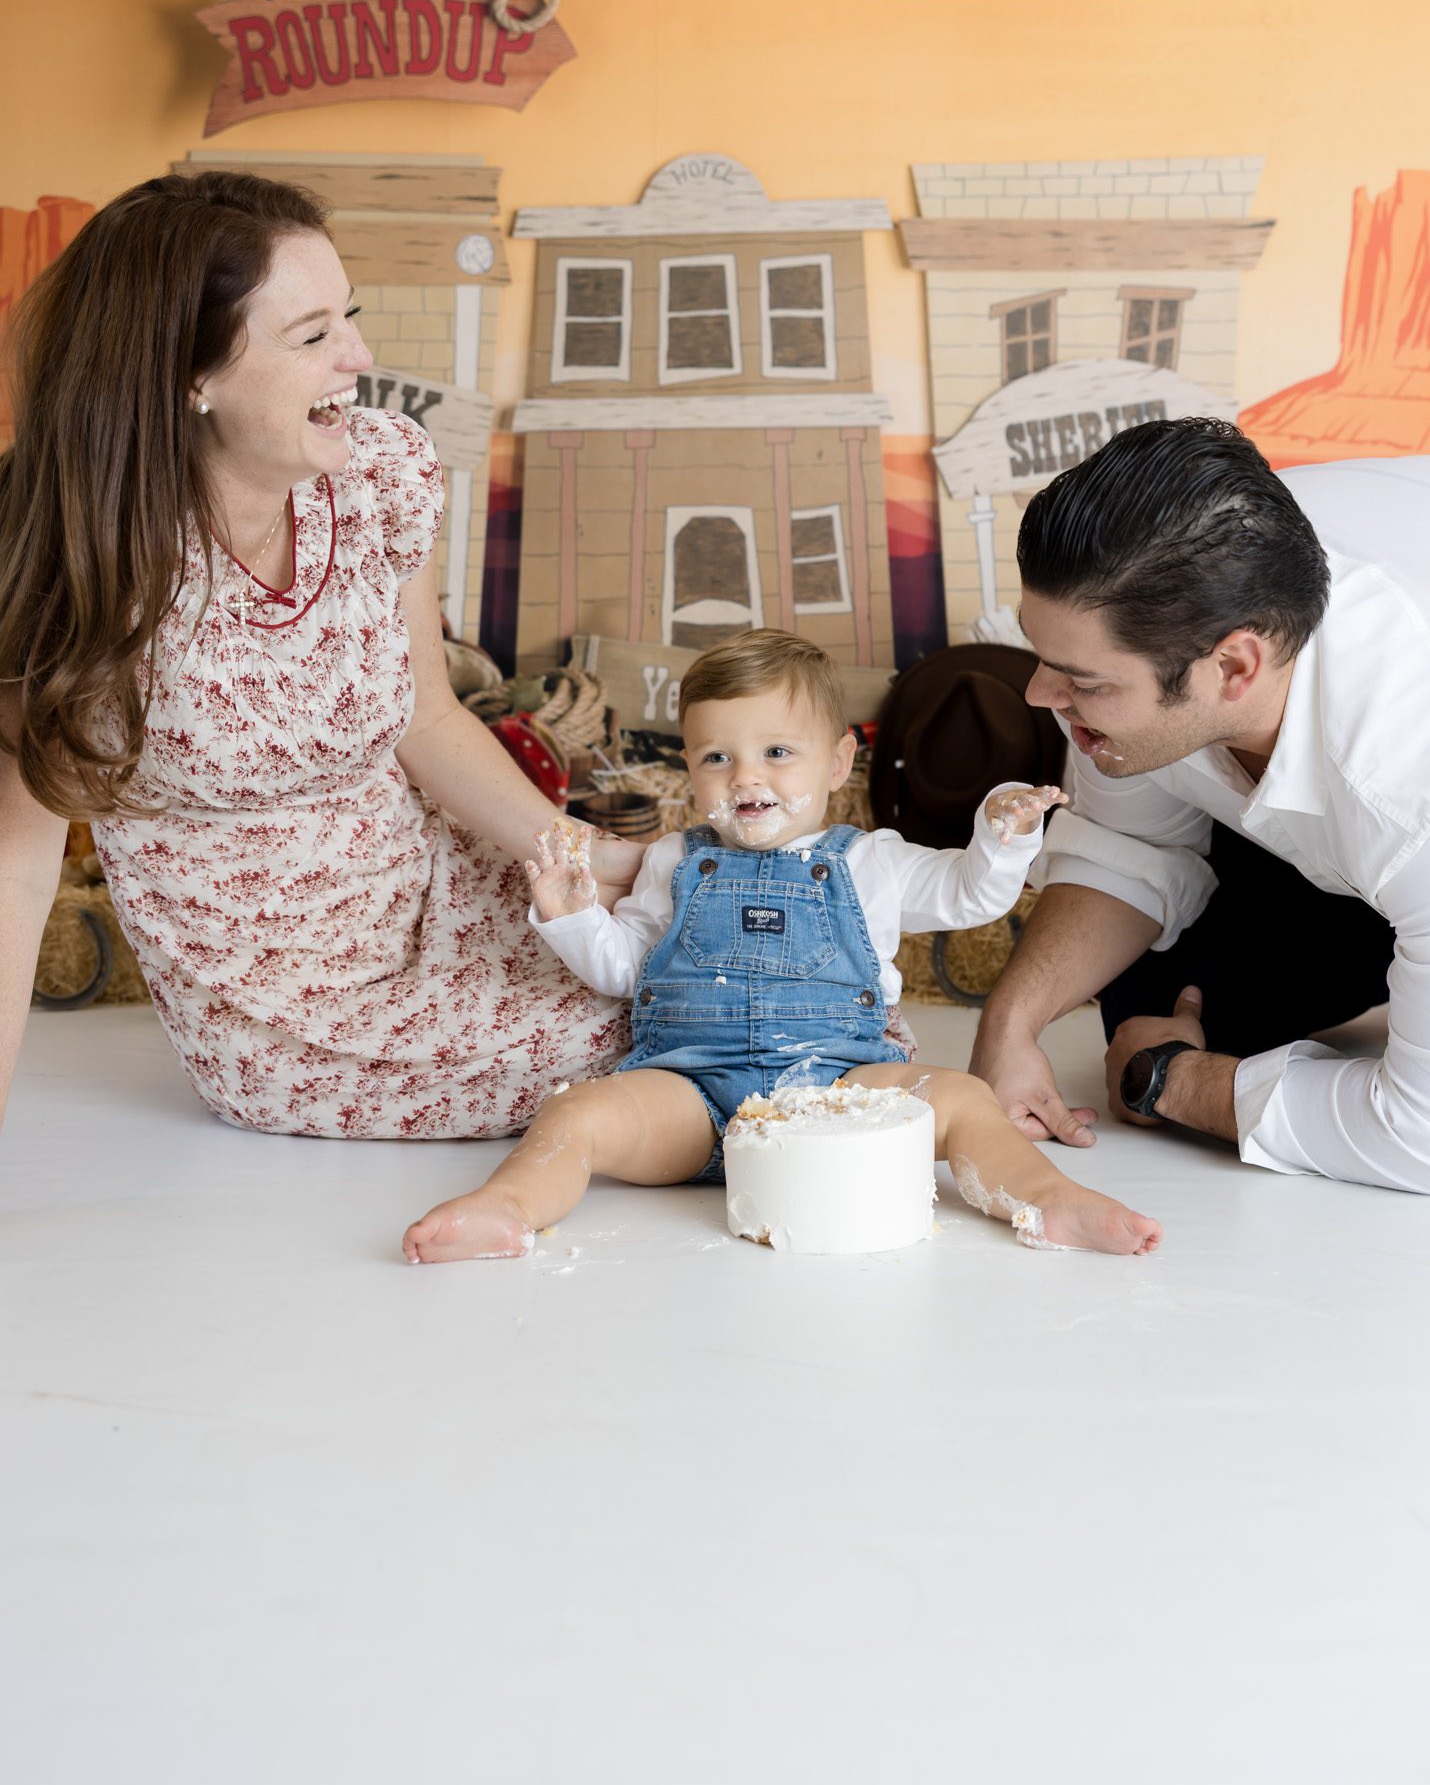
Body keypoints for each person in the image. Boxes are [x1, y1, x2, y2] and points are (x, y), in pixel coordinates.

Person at [0, 171, 644, 1144]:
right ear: (192, 375)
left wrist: (588, 857)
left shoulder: (377, 478)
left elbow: (428, 717)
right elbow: (14, 870)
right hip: (292, 1007)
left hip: (441, 887)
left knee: (736, 965)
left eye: (348, 315)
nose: (360, 355)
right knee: (647, 1030)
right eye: (312, 336)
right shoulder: (74, 574)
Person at [402, 629, 1162, 1261]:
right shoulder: (673, 861)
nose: (745, 777)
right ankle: (507, 1207)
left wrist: (1003, 833)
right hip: (694, 1098)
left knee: (965, 1099)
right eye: (716, 758)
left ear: (837, 764)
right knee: (578, 1115)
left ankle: (1049, 1202)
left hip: (838, 1096)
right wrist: (573, 918)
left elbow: (971, 895)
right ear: (688, 768)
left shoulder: (874, 861)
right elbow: (624, 970)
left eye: (776, 753)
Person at [969, 415, 1430, 1195]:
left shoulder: (1402, 786)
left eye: (1082, 682)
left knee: (1157, 1060)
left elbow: (1417, 1139)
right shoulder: (1173, 597)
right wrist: (1009, 1025)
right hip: (1322, 823)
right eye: (1046, 659)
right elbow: (1128, 842)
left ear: (1234, 668)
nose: (1040, 696)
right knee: (1153, 1005)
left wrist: (1177, 1085)